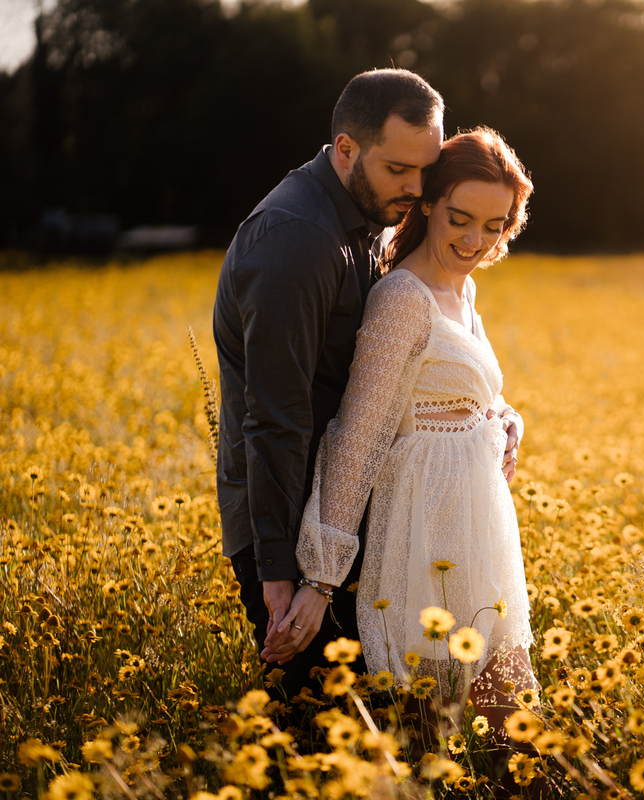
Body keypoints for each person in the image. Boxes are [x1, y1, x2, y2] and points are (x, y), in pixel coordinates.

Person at [212, 68, 524, 702]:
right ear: (347, 149)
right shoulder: (297, 240)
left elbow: (415, 378)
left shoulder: (373, 224)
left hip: (360, 518)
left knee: (382, 719)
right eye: (401, 171)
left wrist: (492, 417)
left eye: (425, 171)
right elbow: (279, 417)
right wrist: (285, 572)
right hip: (294, 516)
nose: (417, 188)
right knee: (327, 722)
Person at [282, 128, 538, 739]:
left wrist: (504, 418)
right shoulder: (402, 297)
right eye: (459, 219)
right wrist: (321, 578)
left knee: (510, 718)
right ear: (427, 204)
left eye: (494, 225)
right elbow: (360, 433)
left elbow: (466, 391)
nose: (474, 240)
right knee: (430, 719)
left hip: (476, 525)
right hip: (423, 531)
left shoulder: (464, 288)